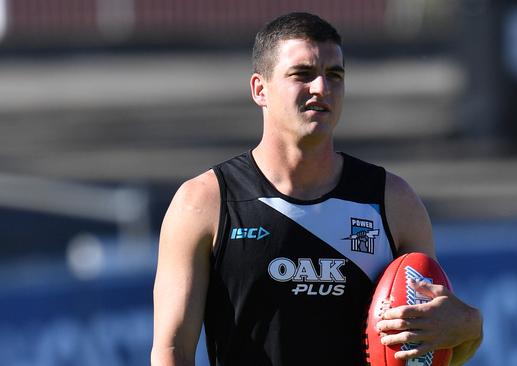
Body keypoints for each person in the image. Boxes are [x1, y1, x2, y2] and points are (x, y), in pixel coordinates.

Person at [151, 12, 482, 366]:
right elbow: (172, 350)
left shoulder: (393, 202)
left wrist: (469, 324)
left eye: (334, 75)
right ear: (259, 90)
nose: (321, 88)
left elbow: (432, 345)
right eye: (302, 74)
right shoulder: (205, 202)